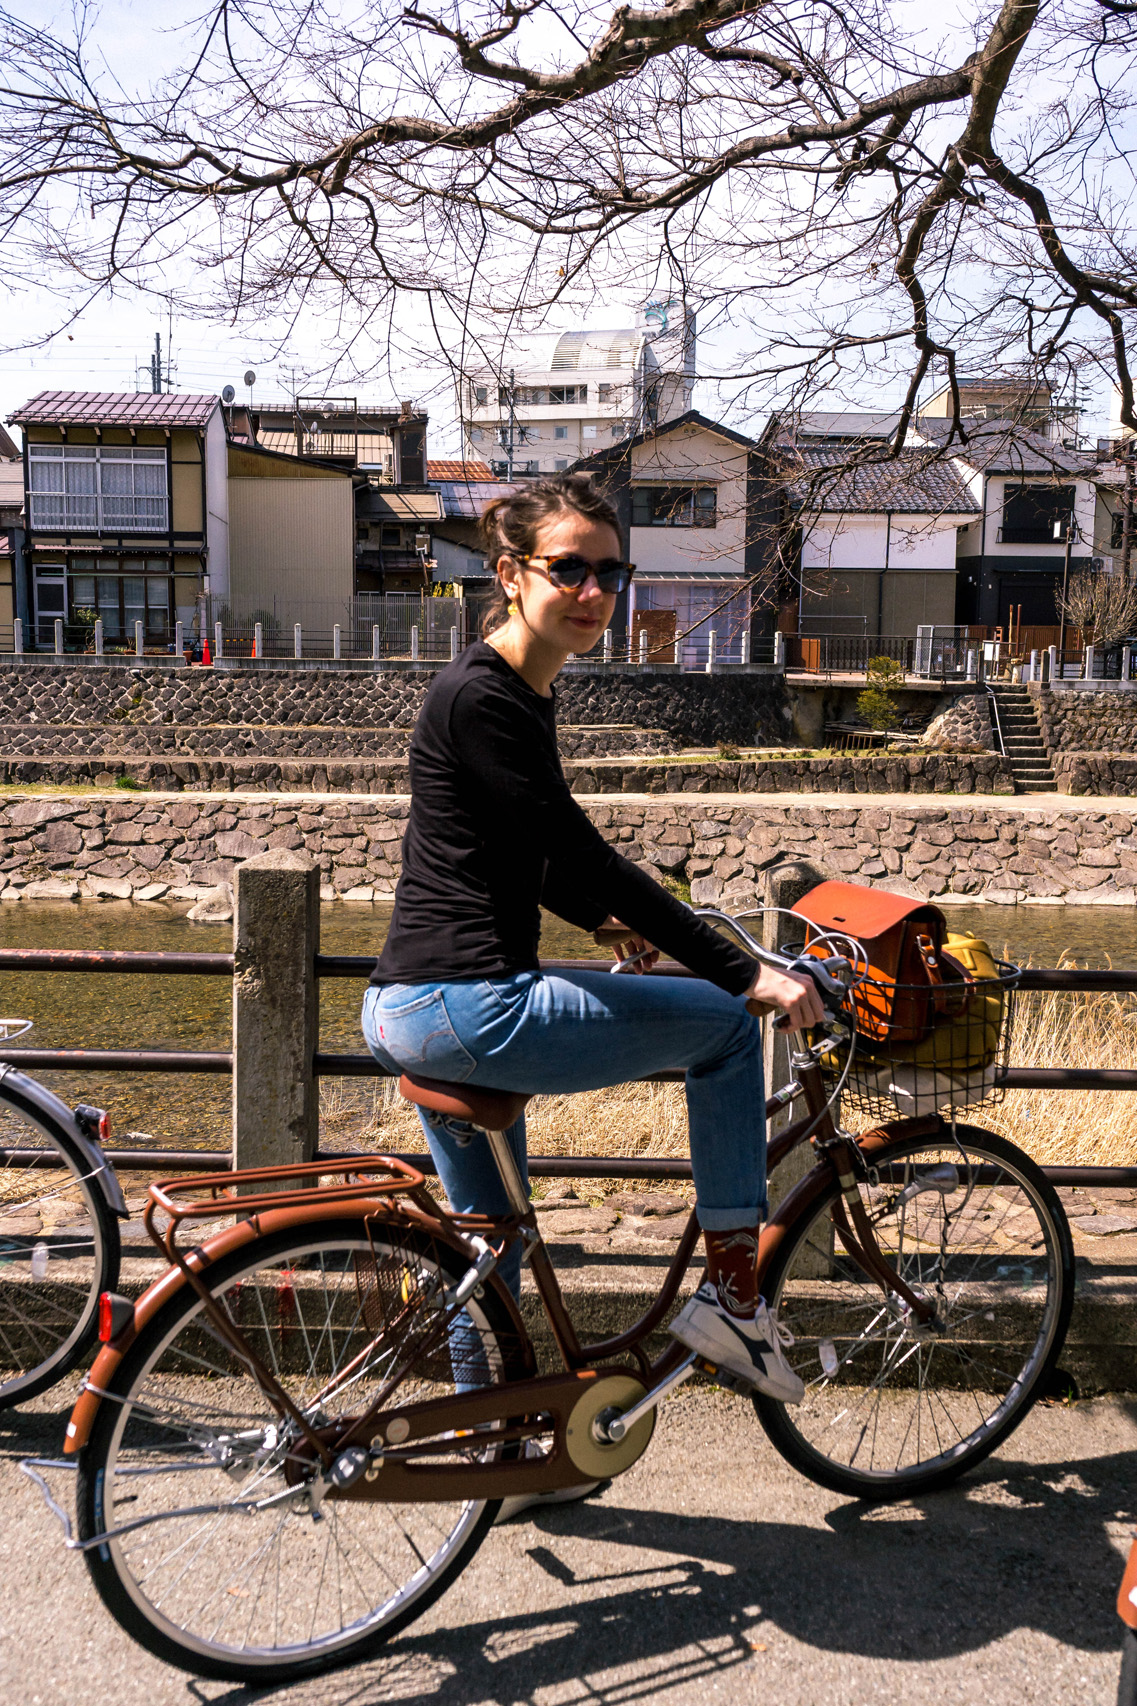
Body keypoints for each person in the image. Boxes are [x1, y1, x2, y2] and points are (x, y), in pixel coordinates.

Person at [362, 472, 822, 1468]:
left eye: (611, 571)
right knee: (720, 1026)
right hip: (473, 1005)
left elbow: (520, 853)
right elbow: (577, 848)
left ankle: (492, 1449)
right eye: (569, 567)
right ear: (511, 572)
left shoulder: (509, 691)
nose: (594, 590)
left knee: (491, 1247)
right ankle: (739, 1298)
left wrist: (598, 920)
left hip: (412, 1003)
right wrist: (743, 973)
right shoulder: (490, 698)